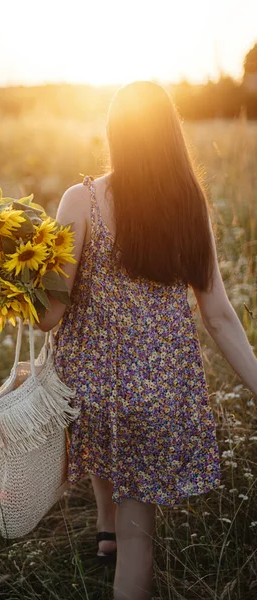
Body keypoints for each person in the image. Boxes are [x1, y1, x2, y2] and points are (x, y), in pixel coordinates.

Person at [35, 81, 257, 600]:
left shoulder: (81, 200)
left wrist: (15, 284)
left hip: (90, 391)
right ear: (171, 137)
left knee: (102, 438)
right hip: (161, 394)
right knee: (141, 541)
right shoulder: (189, 206)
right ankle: (114, 535)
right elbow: (219, 314)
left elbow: (50, 317)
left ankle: (107, 532)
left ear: (116, 132)